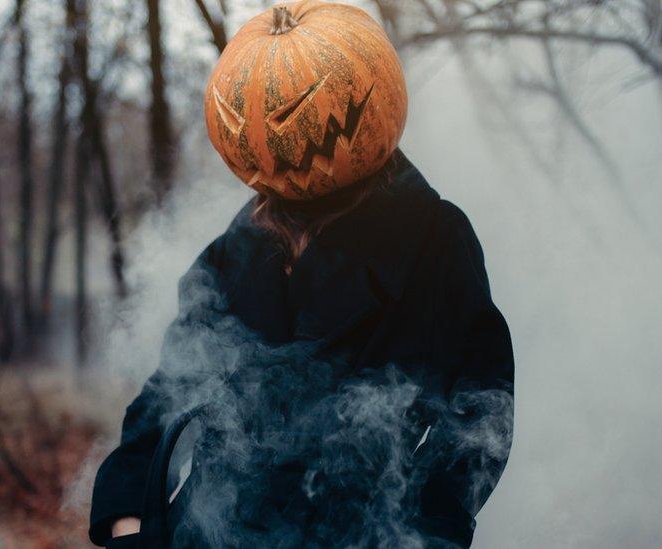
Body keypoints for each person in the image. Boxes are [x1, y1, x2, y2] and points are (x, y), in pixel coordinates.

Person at [88, 148, 514, 548]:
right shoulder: (237, 247)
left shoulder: (433, 237)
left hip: (361, 532)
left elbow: (480, 408)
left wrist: (425, 531)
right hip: (206, 531)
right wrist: (128, 520)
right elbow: (169, 392)